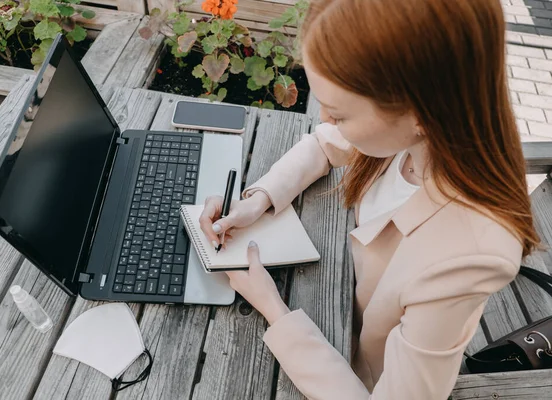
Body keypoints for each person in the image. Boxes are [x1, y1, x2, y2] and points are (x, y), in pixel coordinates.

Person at [198, 0, 539, 398]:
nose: (324, 119)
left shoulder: (469, 256)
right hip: (338, 290)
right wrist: (258, 199)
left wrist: (273, 307)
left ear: (420, 114)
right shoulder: (426, 126)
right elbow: (325, 145)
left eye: (339, 113)